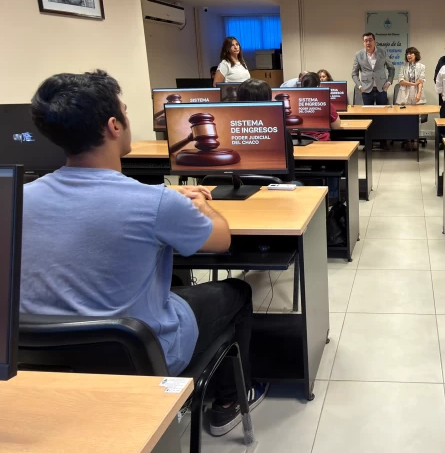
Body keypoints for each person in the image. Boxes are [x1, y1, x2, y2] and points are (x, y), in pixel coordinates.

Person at [19, 70, 266, 438]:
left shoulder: (18, 199)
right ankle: (229, 404)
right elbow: (220, 240)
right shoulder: (156, 203)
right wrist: (202, 204)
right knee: (238, 292)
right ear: (114, 125)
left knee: (169, 280)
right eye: (125, 111)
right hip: (139, 356)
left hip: (44, 362)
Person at [236, 79, 297, 183]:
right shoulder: (280, 132)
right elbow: (288, 179)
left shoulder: (228, 129)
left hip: (230, 186)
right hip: (271, 188)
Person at [301, 72, 342, 199]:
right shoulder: (325, 102)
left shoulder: (293, 101)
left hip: (299, 146)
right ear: (319, 86)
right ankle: (332, 197)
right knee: (335, 162)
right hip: (321, 145)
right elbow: (337, 126)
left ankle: (313, 193)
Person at [395, 47, 426, 149]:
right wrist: (413, 84)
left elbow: (421, 81)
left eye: (411, 53)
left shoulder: (422, 66)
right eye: (407, 53)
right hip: (405, 93)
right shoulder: (403, 66)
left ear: (416, 55)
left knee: (418, 118)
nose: (409, 55)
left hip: (417, 92)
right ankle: (408, 140)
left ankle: (416, 140)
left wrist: (419, 93)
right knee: (406, 118)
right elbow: (400, 80)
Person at [351, 32, 394, 105]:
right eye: (366, 41)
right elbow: (354, 74)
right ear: (363, 43)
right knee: (368, 111)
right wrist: (360, 86)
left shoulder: (383, 52)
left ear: (374, 41)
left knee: (382, 111)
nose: (368, 42)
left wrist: (389, 82)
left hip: (381, 89)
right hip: (366, 90)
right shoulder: (358, 55)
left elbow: (391, 68)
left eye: (370, 40)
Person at [301, 72, 342, 141]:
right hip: (320, 142)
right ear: (318, 86)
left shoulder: (292, 102)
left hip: (295, 143)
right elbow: (336, 126)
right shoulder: (324, 103)